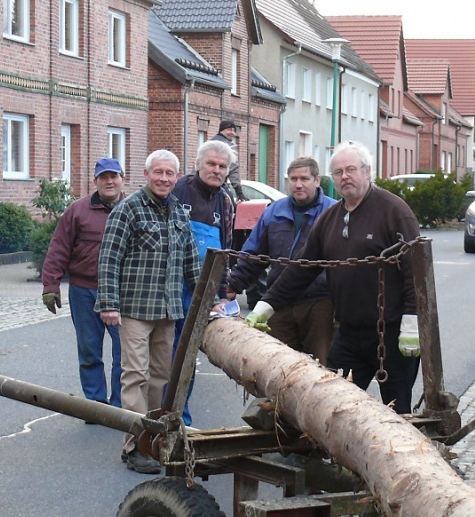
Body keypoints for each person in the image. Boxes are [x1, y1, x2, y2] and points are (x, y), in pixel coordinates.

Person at [245, 141, 423, 413]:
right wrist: (265, 307)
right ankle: (333, 456)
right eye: (338, 172)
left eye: (351, 169)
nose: (345, 177)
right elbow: (301, 269)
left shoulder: (393, 211)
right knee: (332, 407)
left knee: (397, 410)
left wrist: (411, 324)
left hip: (391, 334)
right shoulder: (329, 219)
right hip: (349, 334)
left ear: (367, 171)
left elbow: (415, 271)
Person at [97, 150, 201, 474]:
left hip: (167, 310)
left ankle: (154, 443)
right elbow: (109, 259)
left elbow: (192, 263)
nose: (164, 179)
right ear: (146, 174)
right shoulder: (128, 209)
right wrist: (109, 304)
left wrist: (208, 301)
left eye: (171, 174)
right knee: (135, 376)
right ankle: (133, 447)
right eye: (159, 172)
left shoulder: (179, 213)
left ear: (176, 178)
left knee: (161, 378)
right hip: (134, 311)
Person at [226, 155, 335, 364]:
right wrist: (233, 286)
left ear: (317, 180)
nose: (298, 184)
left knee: (319, 365)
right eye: (293, 179)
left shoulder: (332, 212)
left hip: (319, 302)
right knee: (276, 365)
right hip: (279, 300)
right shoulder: (275, 211)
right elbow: (254, 254)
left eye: (304, 179)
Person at [41, 157, 125, 409]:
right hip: (84, 291)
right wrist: (50, 285)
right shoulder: (78, 211)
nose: (109, 181)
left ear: (123, 178)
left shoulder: (133, 208)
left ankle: (120, 406)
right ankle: (96, 405)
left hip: (124, 293)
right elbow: (59, 248)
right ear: (95, 181)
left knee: (126, 353)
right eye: (103, 177)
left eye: (114, 176)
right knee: (89, 350)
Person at [170, 140, 236, 424]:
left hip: (202, 291)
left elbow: (225, 251)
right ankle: (155, 414)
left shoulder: (225, 202)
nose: (216, 170)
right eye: (211, 164)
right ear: (197, 164)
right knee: (163, 356)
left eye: (222, 166)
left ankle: (179, 416)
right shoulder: (178, 191)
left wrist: (222, 295)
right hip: (171, 288)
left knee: (186, 357)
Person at [211, 119, 245, 201]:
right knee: (228, 202)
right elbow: (233, 168)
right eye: (229, 130)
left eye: (234, 130)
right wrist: (238, 191)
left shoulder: (211, 142)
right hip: (217, 184)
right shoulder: (228, 146)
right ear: (221, 130)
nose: (232, 133)